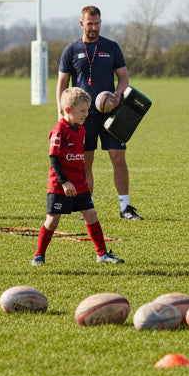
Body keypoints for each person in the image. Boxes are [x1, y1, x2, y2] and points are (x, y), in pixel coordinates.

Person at [57, 5, 141, 220]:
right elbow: (62, 83)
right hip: (82, 116)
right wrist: (61, 113)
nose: (94, 27)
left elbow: (123, 78)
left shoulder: (111, 47)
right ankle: (87, 207)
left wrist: (117, 95)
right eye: (90, 23)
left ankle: (125, 207)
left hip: (111, 115)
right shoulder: (71, 50)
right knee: (85, 162)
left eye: (97, 23)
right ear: (81, 23)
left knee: (119, 159)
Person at [33, 87, 124, 266]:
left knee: (91, 214)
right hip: (60, 185)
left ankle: (102, 254)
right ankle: (39, 255)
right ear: (68, 110)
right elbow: (54, 158)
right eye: (82, 111)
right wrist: (65, 182)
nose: (85, 114)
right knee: (52, 221)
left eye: (87, 110)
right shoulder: (59, 130)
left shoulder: (81, 130)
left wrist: (79, 180)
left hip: (79, 183)